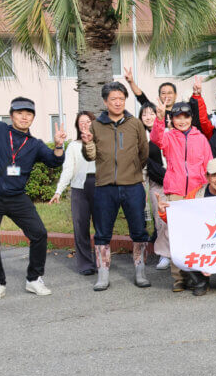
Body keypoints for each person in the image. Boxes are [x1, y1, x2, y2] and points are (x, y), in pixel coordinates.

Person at [0, 69, 65, 300]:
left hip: (17, 197)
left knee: (39, 233)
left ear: (33, 118)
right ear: (11, 115)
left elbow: (54, 161)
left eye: (28, 114)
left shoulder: (34, 144)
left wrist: (59, 145)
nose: (24, 117)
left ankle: (34, 279)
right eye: (19, 113)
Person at [82, 81, 151, 291]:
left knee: (139, 229)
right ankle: (103, 273)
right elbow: (89, 156)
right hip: (104, 187)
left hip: (132, 186)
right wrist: (88, 144)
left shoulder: (135, 123)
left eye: (121, 98)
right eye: (113, 99)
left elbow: (144, 152)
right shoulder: (95, 126)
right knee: (102, 232)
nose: (118, 102)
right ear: (105, 101)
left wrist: (132, 171)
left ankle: (140, 271)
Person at [158, 158, 216, 296]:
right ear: (207, 177)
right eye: (214, 175)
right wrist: (163, 212)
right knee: (181, 240)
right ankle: (200, 280)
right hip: (202, 251)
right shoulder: (194, 196)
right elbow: (179, 221)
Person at [151, 100, 213, 291]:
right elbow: (156, 139)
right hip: (175, 192)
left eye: (185, 116)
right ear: (173, 119)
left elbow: (208, 163)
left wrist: (207, 189)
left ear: (191, 118)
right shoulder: (169, 137)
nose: (182, 120)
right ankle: (179, 277)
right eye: (178, 117)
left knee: (197, 235)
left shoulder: (200, 138)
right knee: (175, 236)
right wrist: (159, 119)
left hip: (197, 192)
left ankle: (198, 275)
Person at [50, 111, 98, 276]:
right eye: (81, 122)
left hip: (100, 187)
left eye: (88, 121)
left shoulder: (101, 142)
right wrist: (59, 190)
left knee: (102, 227)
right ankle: (85, 264)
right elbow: (68, 169)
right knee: (80, 227)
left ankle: (102, 261)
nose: (84, 125)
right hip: (79, 189)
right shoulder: (73, 145)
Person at [123, 66, 214, 138]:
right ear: (159, 96)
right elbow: (141, 98)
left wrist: (197, 93)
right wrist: (131, 82)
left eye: (170, 93)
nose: (167, 96)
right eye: (163, 93)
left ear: (176, 95)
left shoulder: (184, 110)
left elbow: (198, 111)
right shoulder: (156, 112)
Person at [137, 103, 171, 271]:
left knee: (176, 219)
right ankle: (164, 255)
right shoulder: (140, 137)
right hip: (155, 183)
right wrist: (142, 187)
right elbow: (141, 165)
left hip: (174, 181)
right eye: (144, 114)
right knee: (160, 220)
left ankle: (177, 251)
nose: (148, 117)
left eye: (151, 113)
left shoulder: (168, 132)